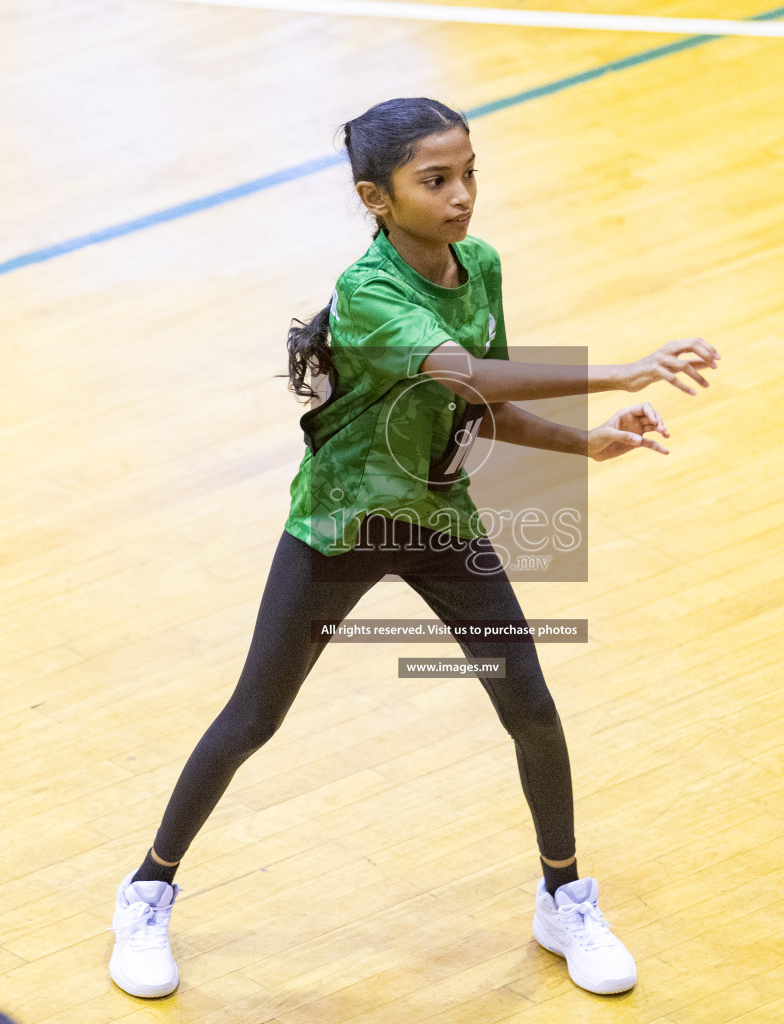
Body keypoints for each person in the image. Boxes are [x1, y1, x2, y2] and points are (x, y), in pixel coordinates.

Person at [108, 96, 719, 1000]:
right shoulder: (369, 291)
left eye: (470, 172)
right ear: (377, 197)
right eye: (436, 181)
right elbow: (462, 371)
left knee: (532, 708)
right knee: (255, 717)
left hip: (439, 519)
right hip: (342, 525)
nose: (463, 195)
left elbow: (485, 406)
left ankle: (562, 898)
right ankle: (147, 888)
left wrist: (587, 441)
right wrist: (620, 367)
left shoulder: (480, 267)